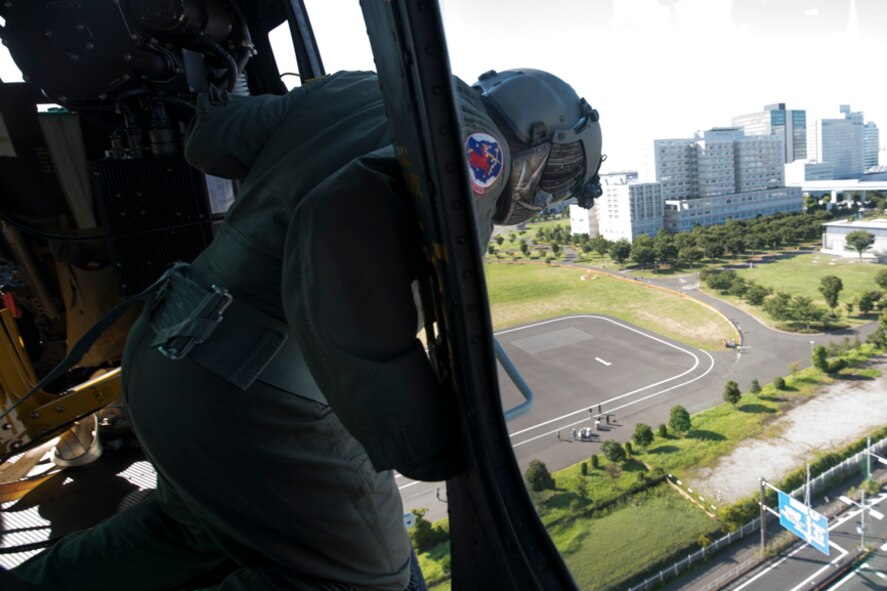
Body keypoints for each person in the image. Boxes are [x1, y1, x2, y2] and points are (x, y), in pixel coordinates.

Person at [12, 69, 602, 590]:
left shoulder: (362, 85)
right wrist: (421, 438)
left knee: (189, 527)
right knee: (369, 585)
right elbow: (343, 229)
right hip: (253, 394)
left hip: (167, 353)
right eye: (558, 174)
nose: (546, 194)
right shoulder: (475, 151)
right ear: (539, 140)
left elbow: (211, 142)